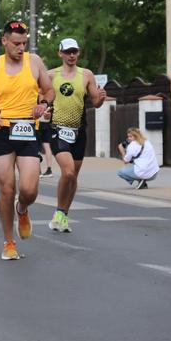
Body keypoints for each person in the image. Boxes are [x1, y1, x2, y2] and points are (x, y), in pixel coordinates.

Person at [0, 20, 55, 261]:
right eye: (16, 43)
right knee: (7, 188)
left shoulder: (35, 62)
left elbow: (49, 91)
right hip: (2, 129)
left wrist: (43, 104)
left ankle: (23, 209)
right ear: (4, 41)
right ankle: (8, 243)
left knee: (29, 189)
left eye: (24, 43)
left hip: (28, 128)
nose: (21, 48)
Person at [47, 38, 107, 232]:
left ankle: (63, 215)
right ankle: (58, 211)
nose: (71, 55)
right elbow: (41, 98)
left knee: (73, 177)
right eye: (68, 52)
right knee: (68, 171)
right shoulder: (50, 75)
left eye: (75, 52)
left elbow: (95, 102)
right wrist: (44, 109)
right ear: (60, 54)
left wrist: (101, 98)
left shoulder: (86, 75)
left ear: (78, 53)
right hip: (57, 128)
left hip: (79, 130)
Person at [37, 95, 54, 178]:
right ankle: (49, 169)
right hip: (46, 122)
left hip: (38, 122)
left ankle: (39, 171)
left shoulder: (37, 93)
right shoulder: (49, 95)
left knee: (36, 146)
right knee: (47, 146)